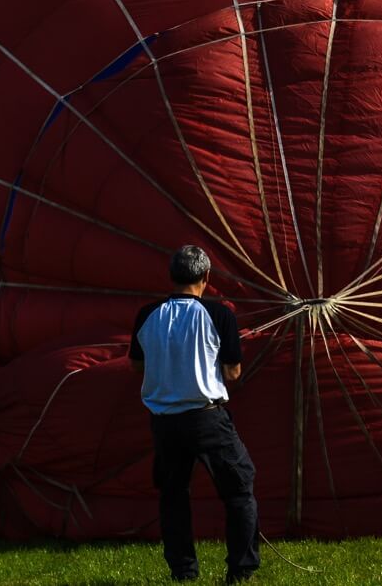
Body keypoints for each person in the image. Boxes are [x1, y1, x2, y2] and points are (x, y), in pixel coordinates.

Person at [131, 245, 260, 584]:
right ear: (206, 278)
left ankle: (183, 571)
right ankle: (240, 570)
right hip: (206, 417)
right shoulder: (220, 315)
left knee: (173, 496)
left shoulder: (147, 315)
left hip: (164, 422)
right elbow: (232, 373)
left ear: (171, 277)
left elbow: (137, 364)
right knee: (238, 488)